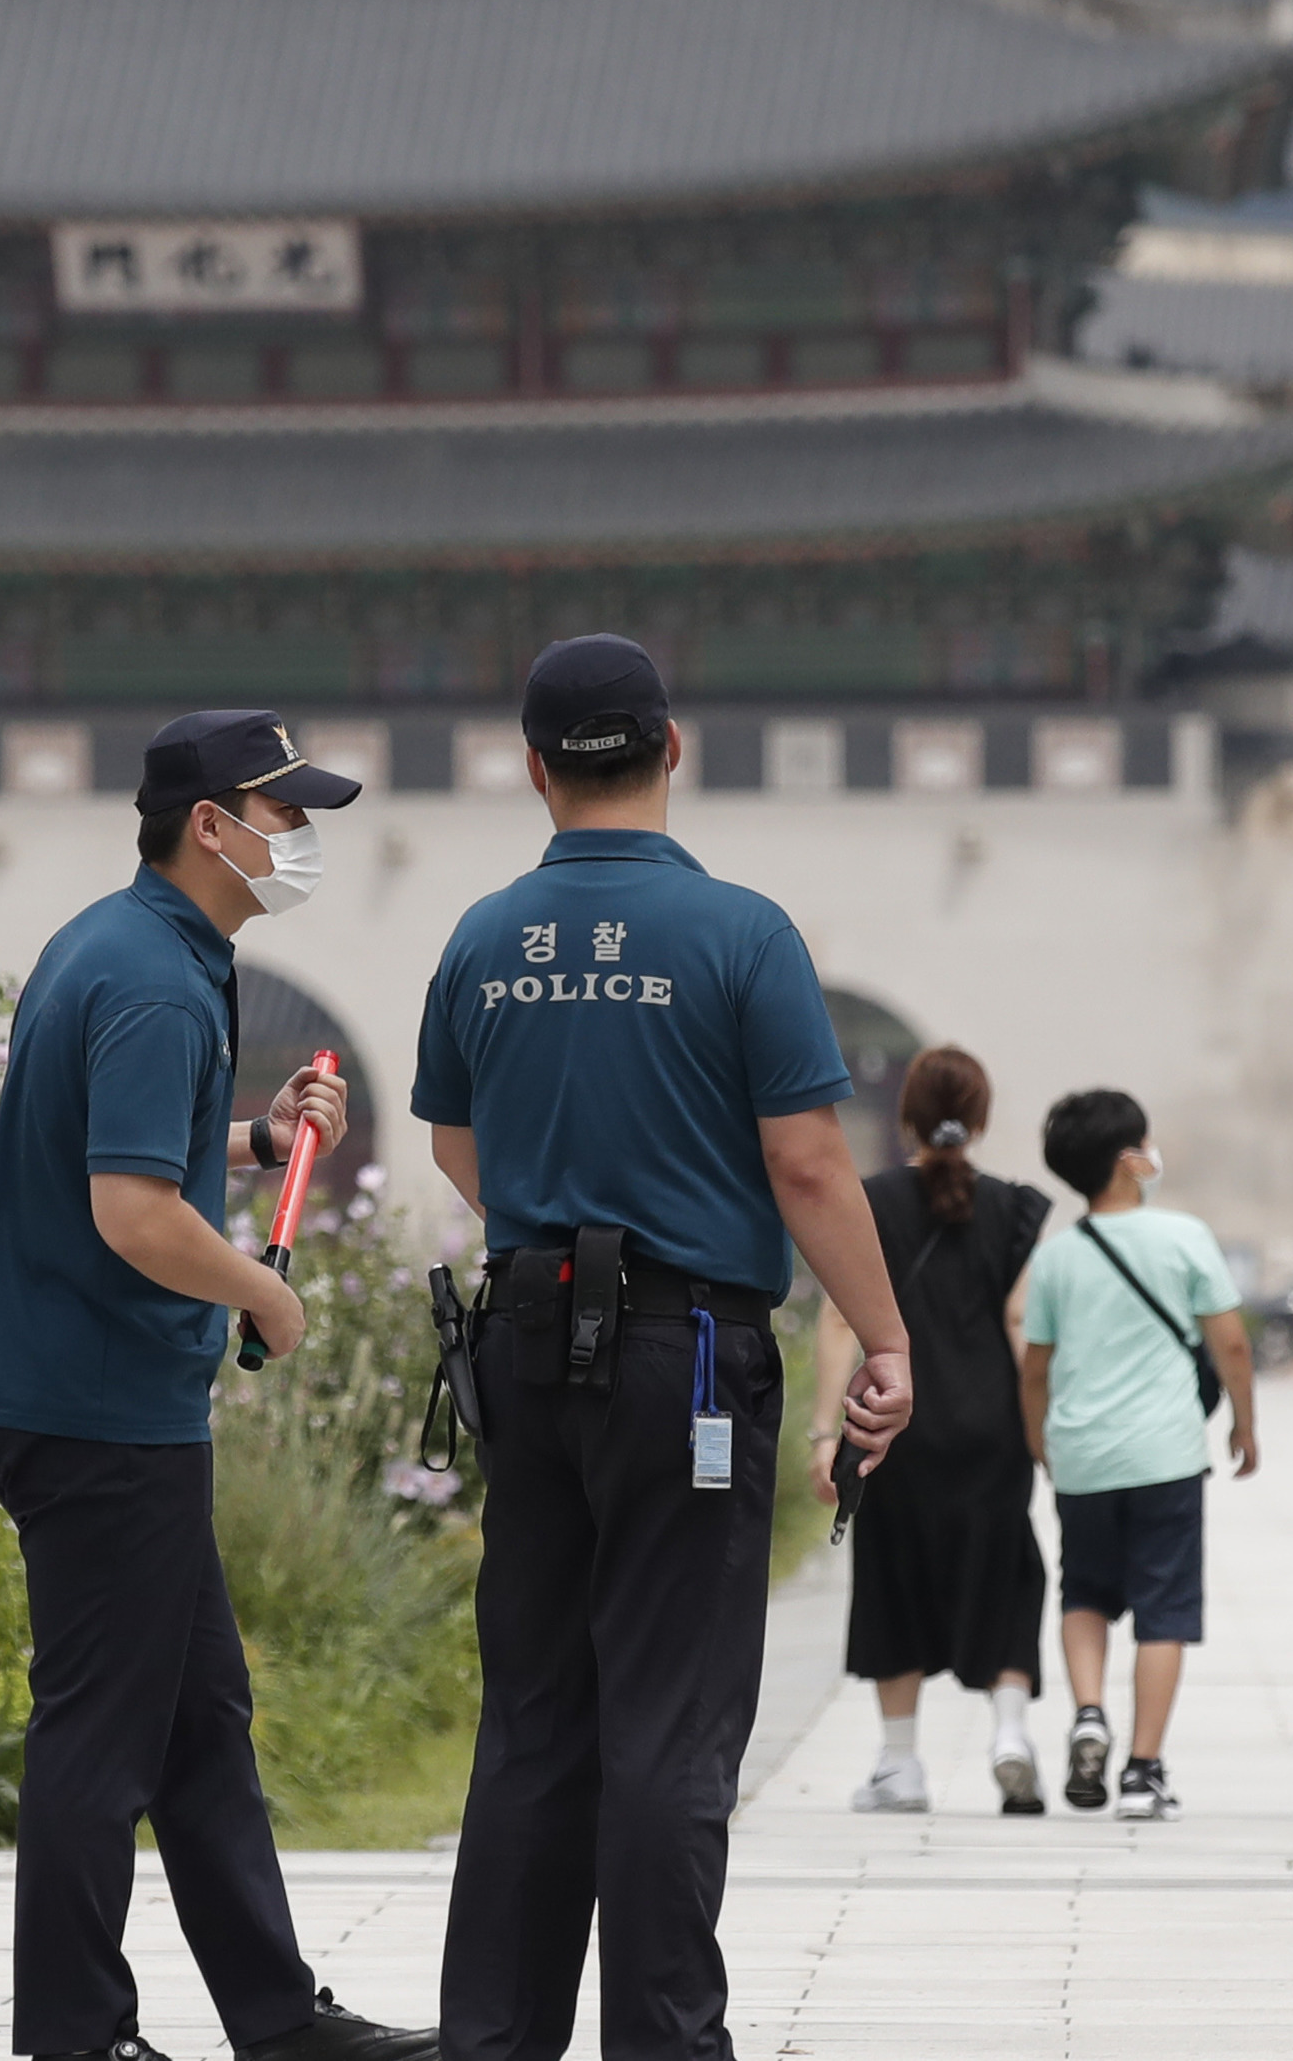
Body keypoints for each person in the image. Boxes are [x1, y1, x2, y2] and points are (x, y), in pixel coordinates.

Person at [412, 632, 913, 2061]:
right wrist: (880, 1334)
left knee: (532, 1711)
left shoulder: (480, 933)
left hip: (519, 1338)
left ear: (530, 767)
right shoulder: (738, 934)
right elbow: (808, 1162)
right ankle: (663, 2038)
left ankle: (493, 2037)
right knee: (666, 1717)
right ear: (669, 747)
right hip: (682, 1349)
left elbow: (456, 1137)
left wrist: (550, 1229)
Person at [0, 708, 436, 2061]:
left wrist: (253, 1133)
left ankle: (277, 2019)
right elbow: (128, 1211)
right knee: (101, 1738)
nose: (303, 838)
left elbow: (118, 1149)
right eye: (287, 814)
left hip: (87, 1396)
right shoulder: (160, 979)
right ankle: (74, 2033)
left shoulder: (121, 943)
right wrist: (265, 1291)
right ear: (210, 824)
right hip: (98, 1406)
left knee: (197, 1721)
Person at [817, 1045, 1053, 1815]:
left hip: (896, 1427)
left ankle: (899, 1763)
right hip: (992, 1427)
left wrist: (827, 1434)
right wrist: (1038, 1430)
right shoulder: (1018, 1210)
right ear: (979, 1118)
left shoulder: (870, 1201)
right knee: (1007, 1567)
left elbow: (834, 1320)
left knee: (894, 1574)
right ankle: (1011, 1732)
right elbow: (1021, 1323)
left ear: (904, 1115)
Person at [1016, 1088, 1257, 1823]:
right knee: (1163, 1609)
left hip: (1081, 1454)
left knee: (1082, 1592)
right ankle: (1142, 1771)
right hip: (1165, 1456)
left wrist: (1040, 1443)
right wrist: (1245, 1425)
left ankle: (1088, 1713)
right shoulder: (1183, 1236)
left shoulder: (1056, 1257)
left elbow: (1034, 1366)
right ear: (1128, 1161)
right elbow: (1232, 1343)